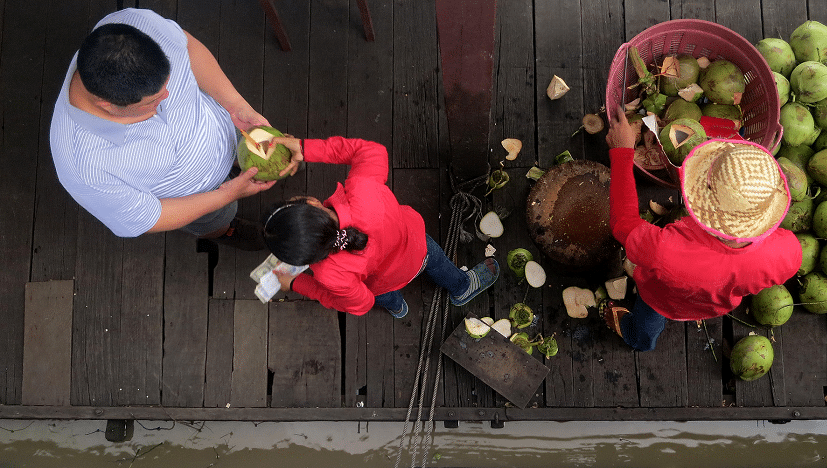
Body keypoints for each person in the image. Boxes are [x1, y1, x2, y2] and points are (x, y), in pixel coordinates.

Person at [49, 8, 298, 250]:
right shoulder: (84, 169)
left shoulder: (136, 25)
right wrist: (225, 196)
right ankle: (225, 231)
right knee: (218, 218)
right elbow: (150, 217)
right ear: (107, 105)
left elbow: (189, 47)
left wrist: (236, 106)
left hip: (227, 130)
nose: (167, 96)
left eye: (166, 86)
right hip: (199, 197)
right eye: (152, 101)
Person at [603, 105, 802, 351]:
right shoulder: (789, 252)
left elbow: (623, 224)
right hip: (715, 305)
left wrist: (622, 152)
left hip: (661, 298)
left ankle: (638, 339)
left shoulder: (665, 251)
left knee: (648, 321)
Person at [261, 136, 499, 317]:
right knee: (440, 265)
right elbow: (370, 151)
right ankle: (462, 287)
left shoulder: (328, 274)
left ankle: (398, 308)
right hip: (417, 248)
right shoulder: (362, 190)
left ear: (303, 258)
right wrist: (304, 148)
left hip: (381, 282)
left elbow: (361, 303)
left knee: (381, 294)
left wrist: (296, 283)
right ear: (311, 203)